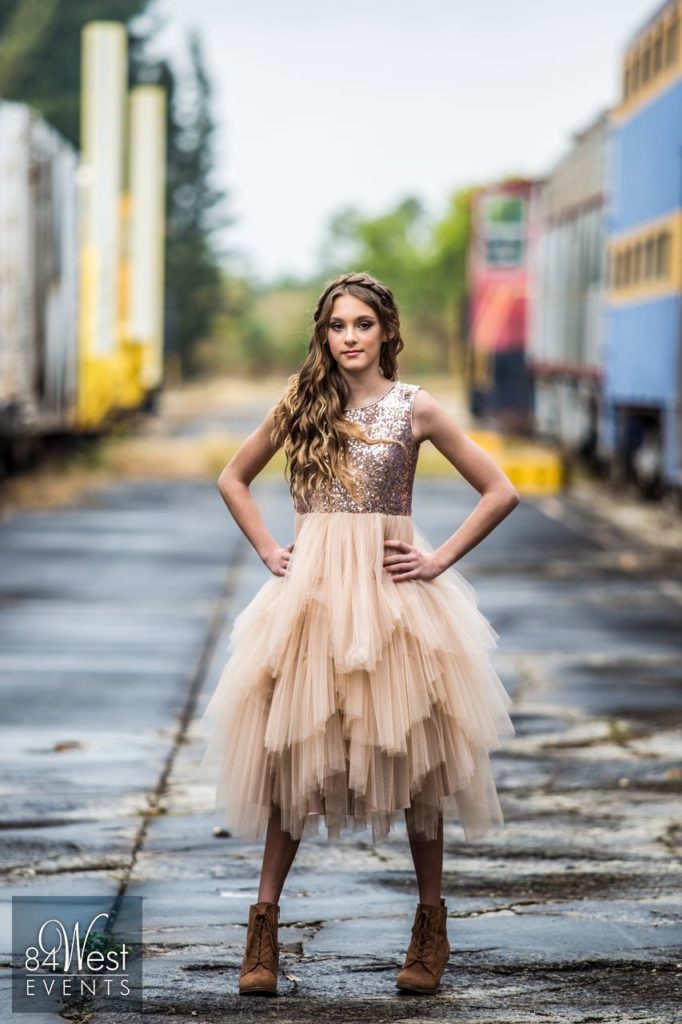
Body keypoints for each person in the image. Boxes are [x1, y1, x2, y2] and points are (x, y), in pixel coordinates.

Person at [198, 271, 519, 998]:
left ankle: (430, 929)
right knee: (292, 762)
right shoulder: (302, 403)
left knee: (419, 766)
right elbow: (232, 478)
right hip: (311, 602)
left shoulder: (416, 408)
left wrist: (437, 558)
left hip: (394, 604)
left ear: (386, 333)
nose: (349, 338)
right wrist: (269, 551)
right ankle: (262, 934)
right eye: (337, 326)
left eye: (362, 325)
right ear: (323, 333)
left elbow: (501, 490)